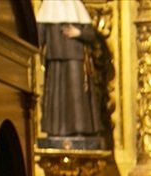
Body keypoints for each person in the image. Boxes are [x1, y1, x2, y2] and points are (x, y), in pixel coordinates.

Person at [36, 0, 112, 148]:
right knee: (57, 99)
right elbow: (39, 35)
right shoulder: (47, 7)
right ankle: (56, 132)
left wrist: (78, 33)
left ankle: (80, 131)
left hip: (75, 59)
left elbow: (90, 34)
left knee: (77, 98)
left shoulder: (76, 6)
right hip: (55, 60)